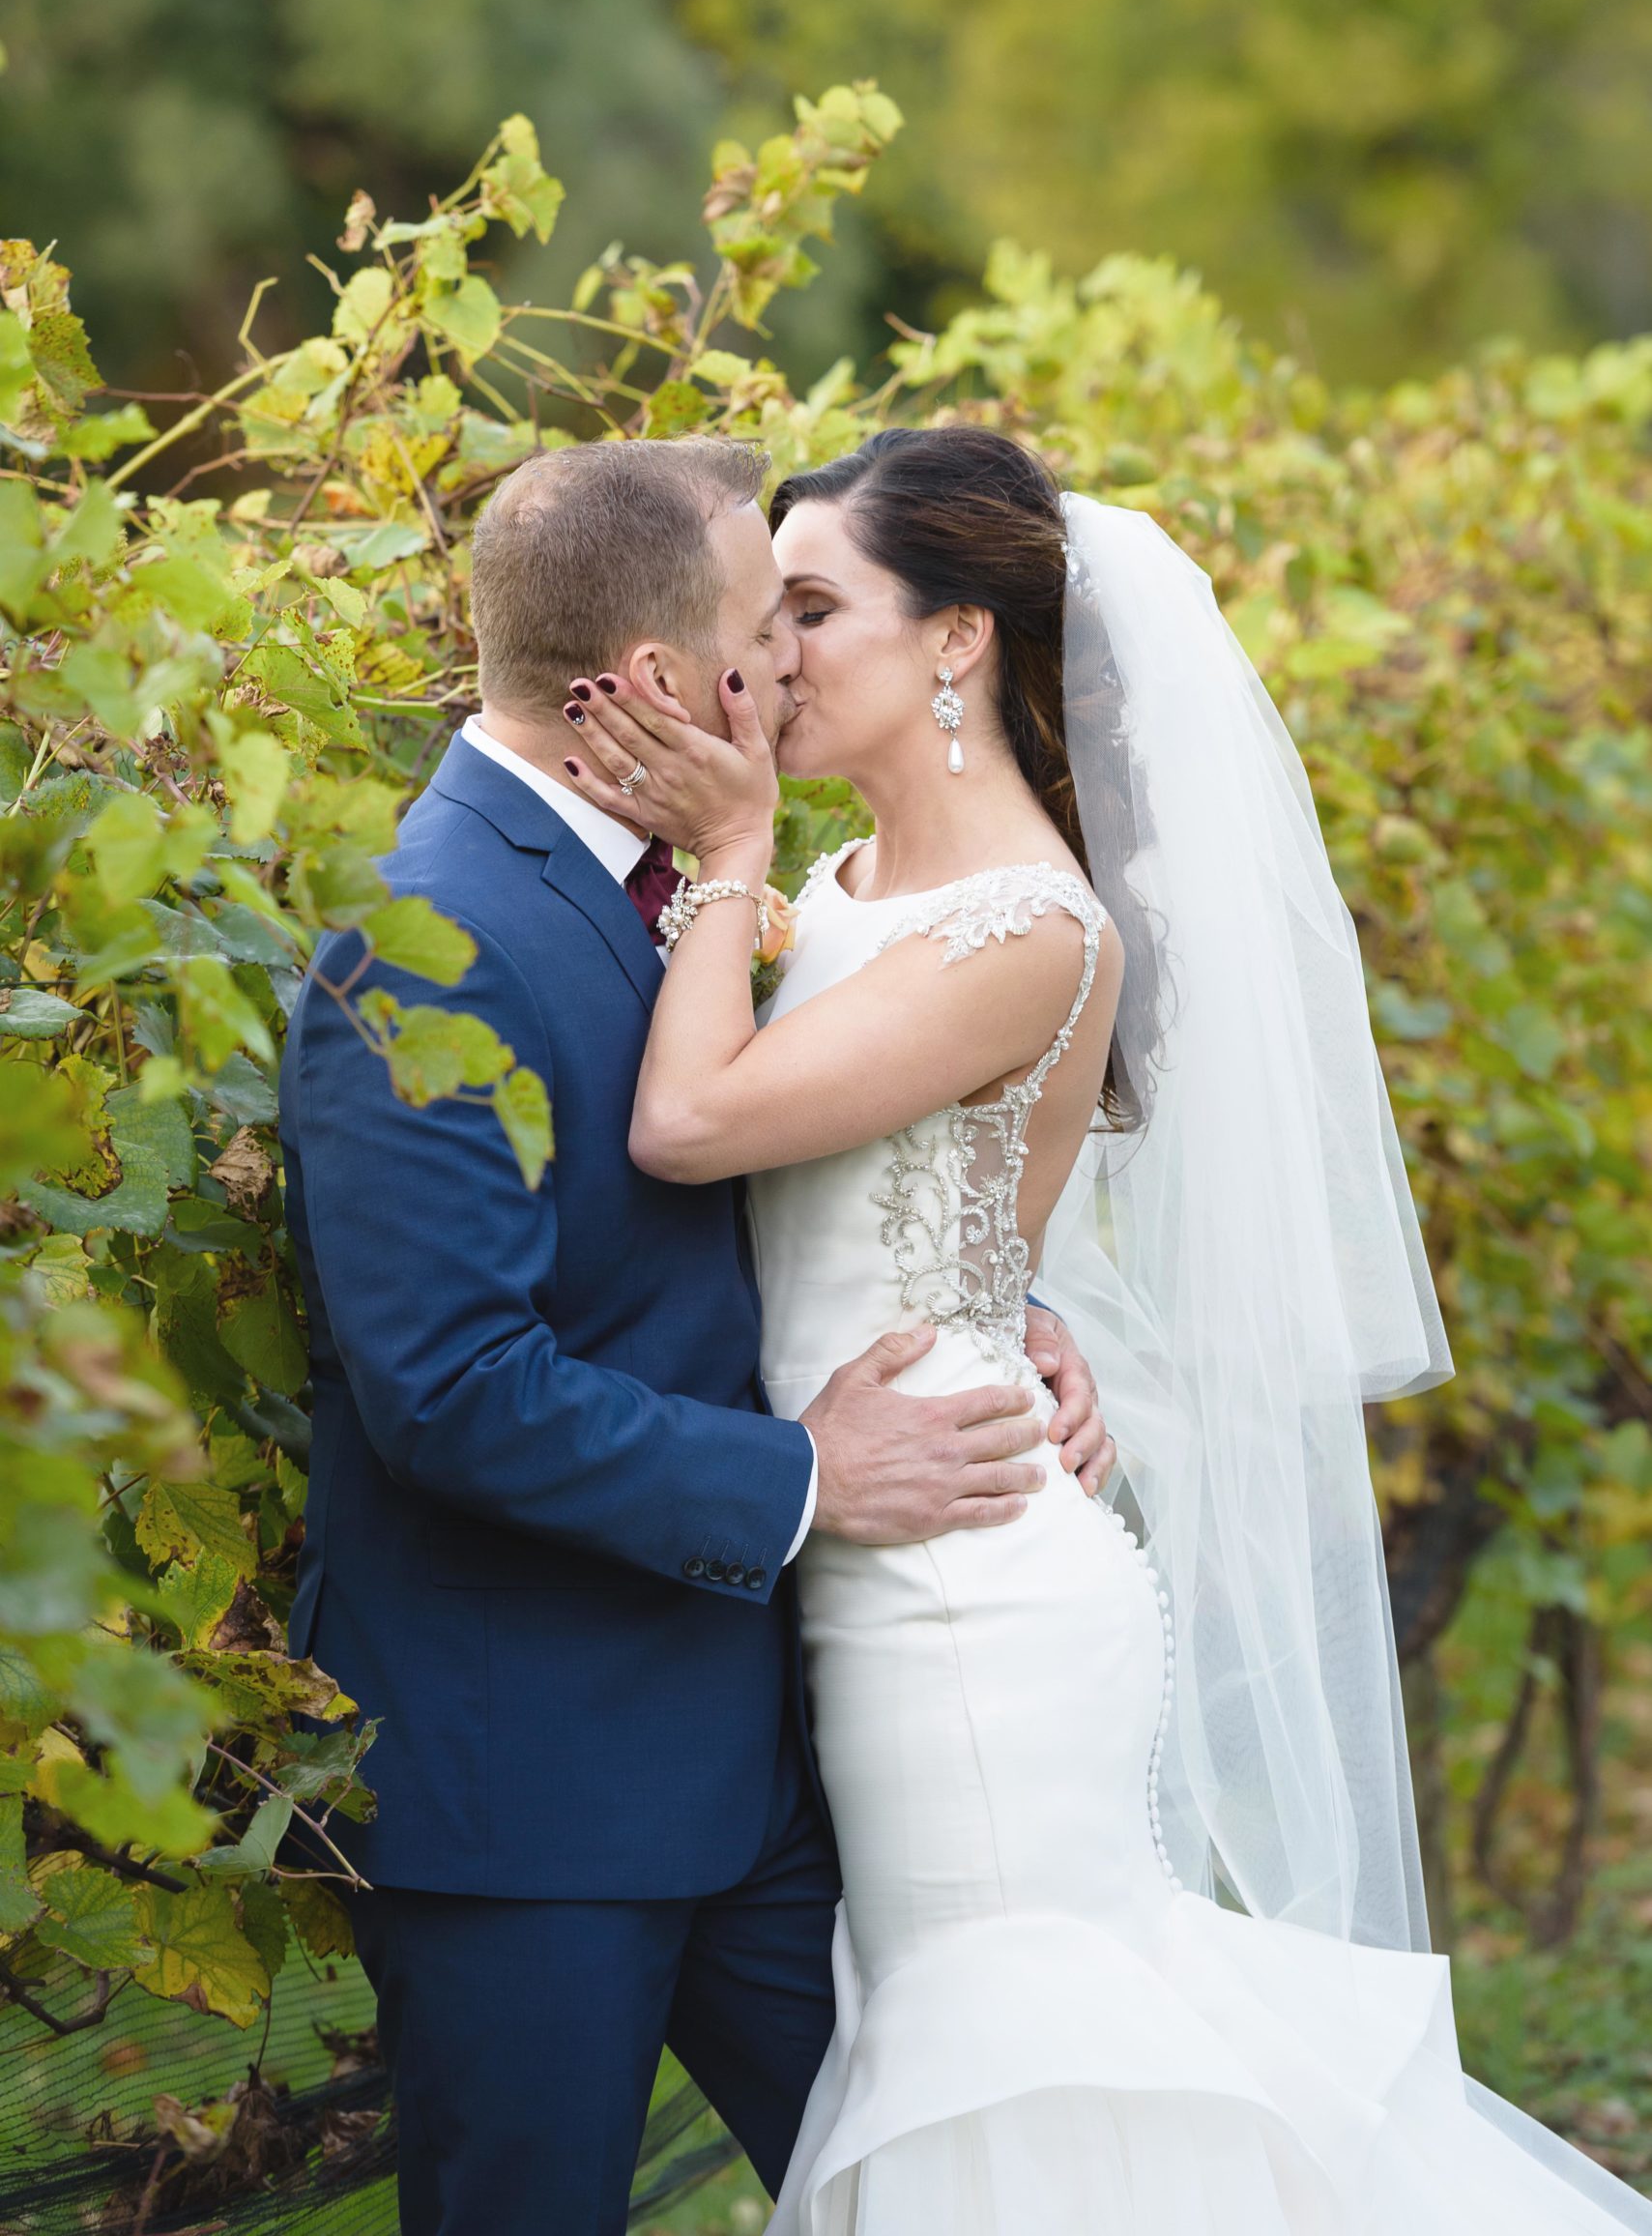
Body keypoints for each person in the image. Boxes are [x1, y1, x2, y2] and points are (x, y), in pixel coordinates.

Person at [564, 423, 1652, 2233]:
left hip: (962, 1600)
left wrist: (727, 841)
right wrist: (1031, 1305)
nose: (767, 654)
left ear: (955, 643)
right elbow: (918, 1201)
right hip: (873, 1534)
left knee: (1012, 2075)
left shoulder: (1029, 927)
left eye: (813, 608)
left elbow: (692, 1125)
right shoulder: (845, 892)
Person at [276, 436, 1114, 2236]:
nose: (792, 667)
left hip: (762, 1766)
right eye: (768, 626)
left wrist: (992, 1303)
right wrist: (809, 1474)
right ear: (656, 684)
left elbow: (788, 1178)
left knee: (963, 2186)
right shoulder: (421, 940)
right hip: (533, 1792)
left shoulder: (699, 882)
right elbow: (450, 1392)